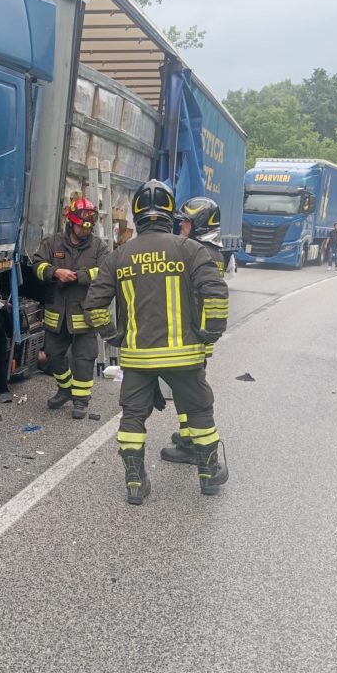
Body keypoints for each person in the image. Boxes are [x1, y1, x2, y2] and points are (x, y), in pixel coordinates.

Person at [83, 180, 229, 505]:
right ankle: (208, 474)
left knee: (133, 417)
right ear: (169, 214)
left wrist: (114, 336)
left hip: (138, 358)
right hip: (185, 356)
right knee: (200, 411)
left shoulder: (118, 256)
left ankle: (135, 481)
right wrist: (210, 333)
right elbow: (216, 294)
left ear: (136, 215)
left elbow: (93, 306)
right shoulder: (191, 249)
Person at [160, 196, 225, 465]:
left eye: (185, 223)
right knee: (185, 389)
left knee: (191, 391)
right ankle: (188, 437)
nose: (180, 227)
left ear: (198, 225)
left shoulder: (201, 254)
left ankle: (196, 450)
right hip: (198, 335)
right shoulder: (208, 251)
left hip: (192, 335)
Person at [32, 196, 109, 419]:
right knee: (54, 355)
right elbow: (37, 265)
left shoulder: (99, 247)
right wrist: (55, 272)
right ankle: (65, 389)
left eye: (88, 227)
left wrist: (80, 277)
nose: (85, 231)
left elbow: (105, 272)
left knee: (84, 358)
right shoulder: (53, 243)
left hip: (85, 312)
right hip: (57, 312)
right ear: (71, 222)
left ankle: (81, 400)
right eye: (81, 226)